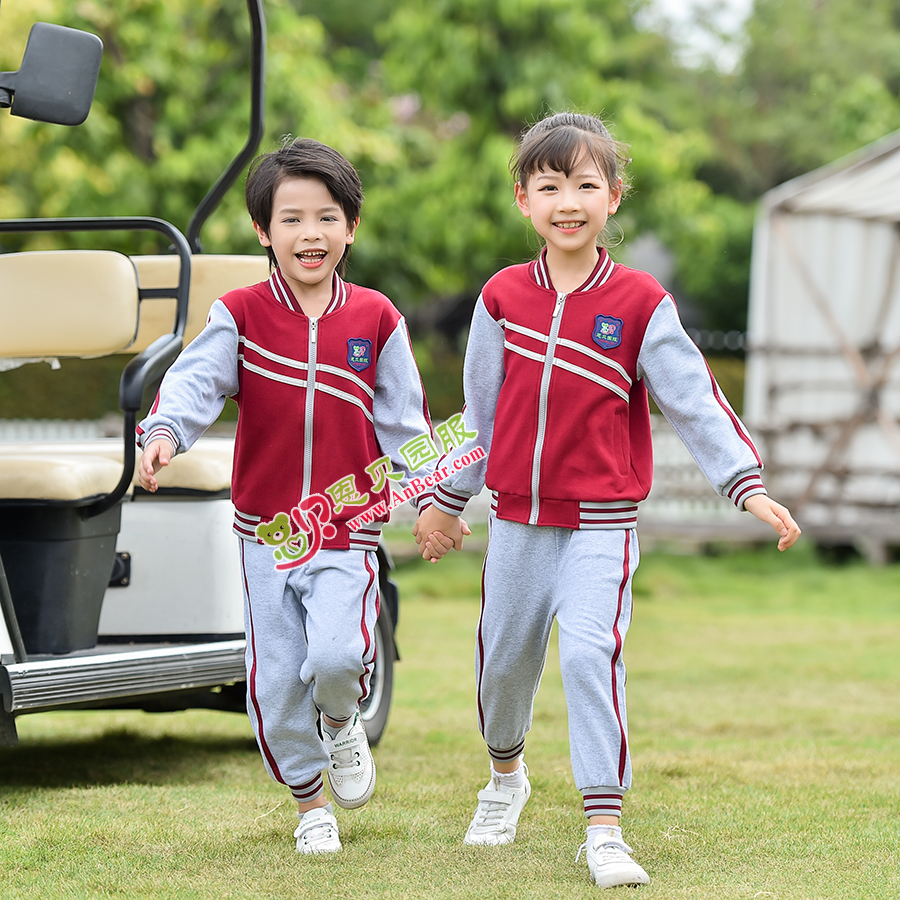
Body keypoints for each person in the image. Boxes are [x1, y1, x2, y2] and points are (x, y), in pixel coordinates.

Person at [413, 111, 801, 889]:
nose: (568, 201)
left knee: (591, 656)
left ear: (613, 198)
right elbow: (479, 419)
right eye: (549, 185)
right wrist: (446, 502)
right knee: (502, 671)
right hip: (517, 527)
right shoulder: (498, 300)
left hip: (602, 528)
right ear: (523, 197)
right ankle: (505, 778)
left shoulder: (640, 302)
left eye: (586, 184)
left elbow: (694, 399)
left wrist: (746, 484)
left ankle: (604, 828)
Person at [137, 137, 434, 855]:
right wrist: (165, 433)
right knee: (273, 686)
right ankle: (309, 808)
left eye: (327, 218)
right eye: (292, 219)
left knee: (336, 657)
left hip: (348, 525)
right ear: (263, 231)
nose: (311, 234)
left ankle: (341, 723)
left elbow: (405, 421)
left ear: (351, 228)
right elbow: (194, 382)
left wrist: (433, 498)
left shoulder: (377, 319)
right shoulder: (239, 314)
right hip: (267, 535)